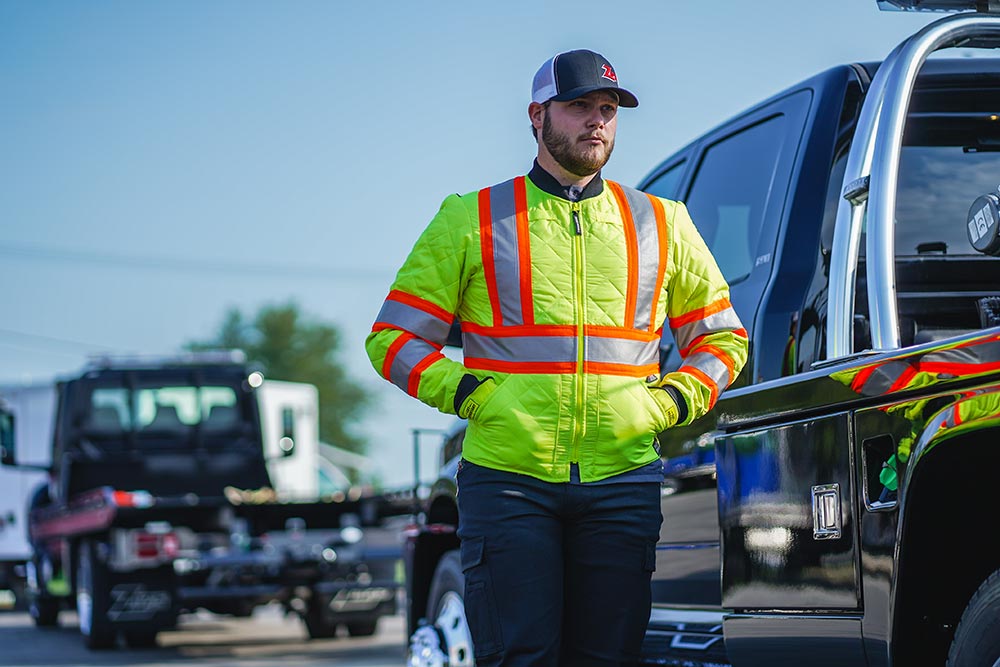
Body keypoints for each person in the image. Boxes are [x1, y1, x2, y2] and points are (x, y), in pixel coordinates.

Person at [366, 49, 748, 667]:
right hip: (509, 483)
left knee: (610, 657)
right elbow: (393, 339)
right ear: (537, 115)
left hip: (623, 480)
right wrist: (475, 397)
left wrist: (667, 402)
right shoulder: (472, 218)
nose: (597, 121)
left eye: (608, 109)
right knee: (524, 656)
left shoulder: (661, 222)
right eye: (579, 107)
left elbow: (723, 339)